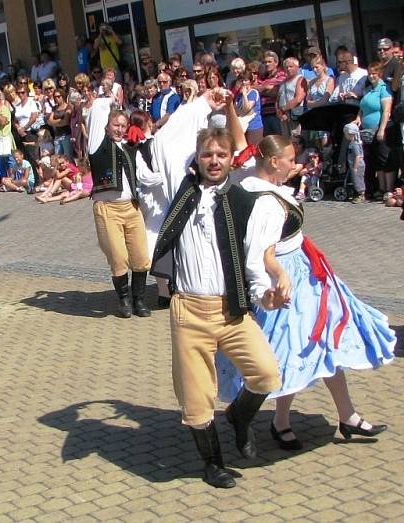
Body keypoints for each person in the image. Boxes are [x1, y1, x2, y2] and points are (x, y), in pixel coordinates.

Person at [218, 132, 395, 451]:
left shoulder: (248, 182)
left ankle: (346, 415)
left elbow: (245, 144)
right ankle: (279, 421)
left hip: (305, 271)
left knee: (325, 342)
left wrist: (234, 108)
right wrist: (277, 279)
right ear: (273, 161)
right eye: (288, 159)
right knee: (293, 349)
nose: (294, 163)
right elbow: (259, 252)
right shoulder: (267, 203)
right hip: (291, 276)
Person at [151, 122, 285, 489]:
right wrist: (204, 103)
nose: (213, 160)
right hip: (188, 310)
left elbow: (254, 259)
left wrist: (264, 295)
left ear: (231, 160)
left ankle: (239, 418)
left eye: (221, 154)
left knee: (267, 373)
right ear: (196, 156)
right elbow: (163, 141)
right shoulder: (180, 193)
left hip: (232, 310)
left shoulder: (243, 201)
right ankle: (213, 464)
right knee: (196, 399)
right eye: (207, 154)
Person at [88, 110, 152, 318]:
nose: (119, 129)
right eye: (115, 124)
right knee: (118, 256)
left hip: (131, 207)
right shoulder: (98, 146)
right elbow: (96, 115)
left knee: (141, 256)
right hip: (108, 207)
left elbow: (145, 175)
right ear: (107, 126)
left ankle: (138, 300)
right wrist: (110, 95)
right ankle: (123, 300)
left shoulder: (131, 148)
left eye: (123, 125)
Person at [357, 62, 396, 200]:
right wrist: (358, 119)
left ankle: (388, 189)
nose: (371, 76)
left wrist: (381, 129)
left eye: (374, 73)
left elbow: (386, 111)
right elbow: (362, 108)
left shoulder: (383, 88)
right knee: (375, 161)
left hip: (380, 129)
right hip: (367, 131)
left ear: (380, 73)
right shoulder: (368, 89)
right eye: (369, 73)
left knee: (385, 160)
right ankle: (381, 188)